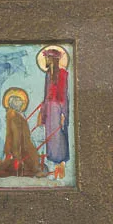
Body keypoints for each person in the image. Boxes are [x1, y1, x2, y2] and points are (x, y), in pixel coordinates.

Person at [0, 88, 41, 178]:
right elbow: (16, 137)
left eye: (21, 101)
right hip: (19, 150)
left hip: (24, 148)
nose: (20, 103)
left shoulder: (17, 116)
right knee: (24, 167)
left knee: (31, 164)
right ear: (11, 102)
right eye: (17, 101)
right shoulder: (14, 117)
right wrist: (16, 155)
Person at [37, 48, 69, 179]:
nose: (46, 60)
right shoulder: (48, 75)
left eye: (47, 58)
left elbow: (63, 95)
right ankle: (53, 168)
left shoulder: (62, 74)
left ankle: (60, 166)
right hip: (49, 109)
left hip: (57, 108)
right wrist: (42, 112)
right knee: (49, 137)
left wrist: (63, 113)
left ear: (52, 59)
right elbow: (46, 95)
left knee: (58, 136)